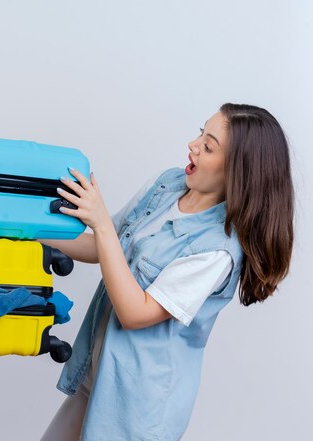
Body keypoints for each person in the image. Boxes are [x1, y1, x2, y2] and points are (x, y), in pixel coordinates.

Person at [40, 103, 294, 441]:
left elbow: (135, 312)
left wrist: (100, 221)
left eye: (208, 146)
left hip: (136, 408)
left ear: (237, 172)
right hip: (97, 375)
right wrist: (25, 231)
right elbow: (103, 247)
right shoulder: (167, 185)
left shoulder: (217, 251)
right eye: (201, 133)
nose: (193, 144)